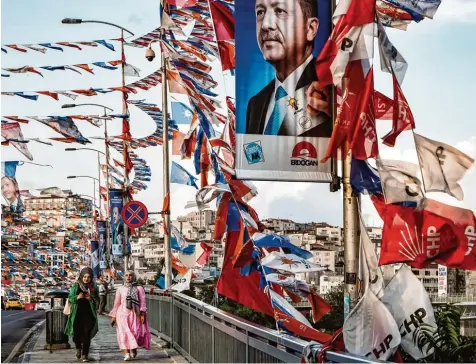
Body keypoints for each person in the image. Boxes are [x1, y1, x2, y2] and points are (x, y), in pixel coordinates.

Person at [245, 0, 332, 137]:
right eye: (260, 12)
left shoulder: (334, 93)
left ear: (311, 29)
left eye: (280, 11)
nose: (265, 25)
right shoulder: (255, 103)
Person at [109, 270, 151, 361]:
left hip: (135, 314)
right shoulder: (120, 289)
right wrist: (113, 316)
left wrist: (142, 314)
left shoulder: (139, 288)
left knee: (135, 333)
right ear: (124, 277)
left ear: (133, 277)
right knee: (123, 334)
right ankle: (126, 353)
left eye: (130, 275)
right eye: (126, 275)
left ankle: (133, 348)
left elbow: (142, 302)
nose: (128, 277)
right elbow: (117, 303)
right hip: (122, 314)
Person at [64, 267, 99, 362]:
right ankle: (78, 349)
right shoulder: (76, 286)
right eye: (84, 277)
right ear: (81, 277)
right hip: (77, 314)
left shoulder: (94, 287)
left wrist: (90, 298)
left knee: (87, 334)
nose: (86, 279)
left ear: (91, 278)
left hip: (89, 314)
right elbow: (70, 298)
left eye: (88, 277)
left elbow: (97, 300)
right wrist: (77, 297)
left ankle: (85, 355)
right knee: (77, 334)